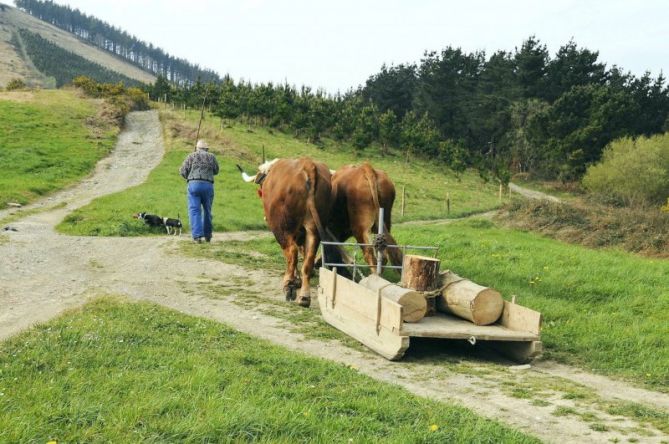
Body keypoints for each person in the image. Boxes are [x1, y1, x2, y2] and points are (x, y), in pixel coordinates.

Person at [179, 139, 219, 243]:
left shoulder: (191, 156)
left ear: (197, 148)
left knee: (194, 210)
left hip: (194, 184)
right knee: (207, 210)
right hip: (208, 185)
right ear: (207, 148)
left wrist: (189, 176)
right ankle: (208, 235)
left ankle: (197, 236)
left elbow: (182, 171)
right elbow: (216, 171)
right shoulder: (212, 156)